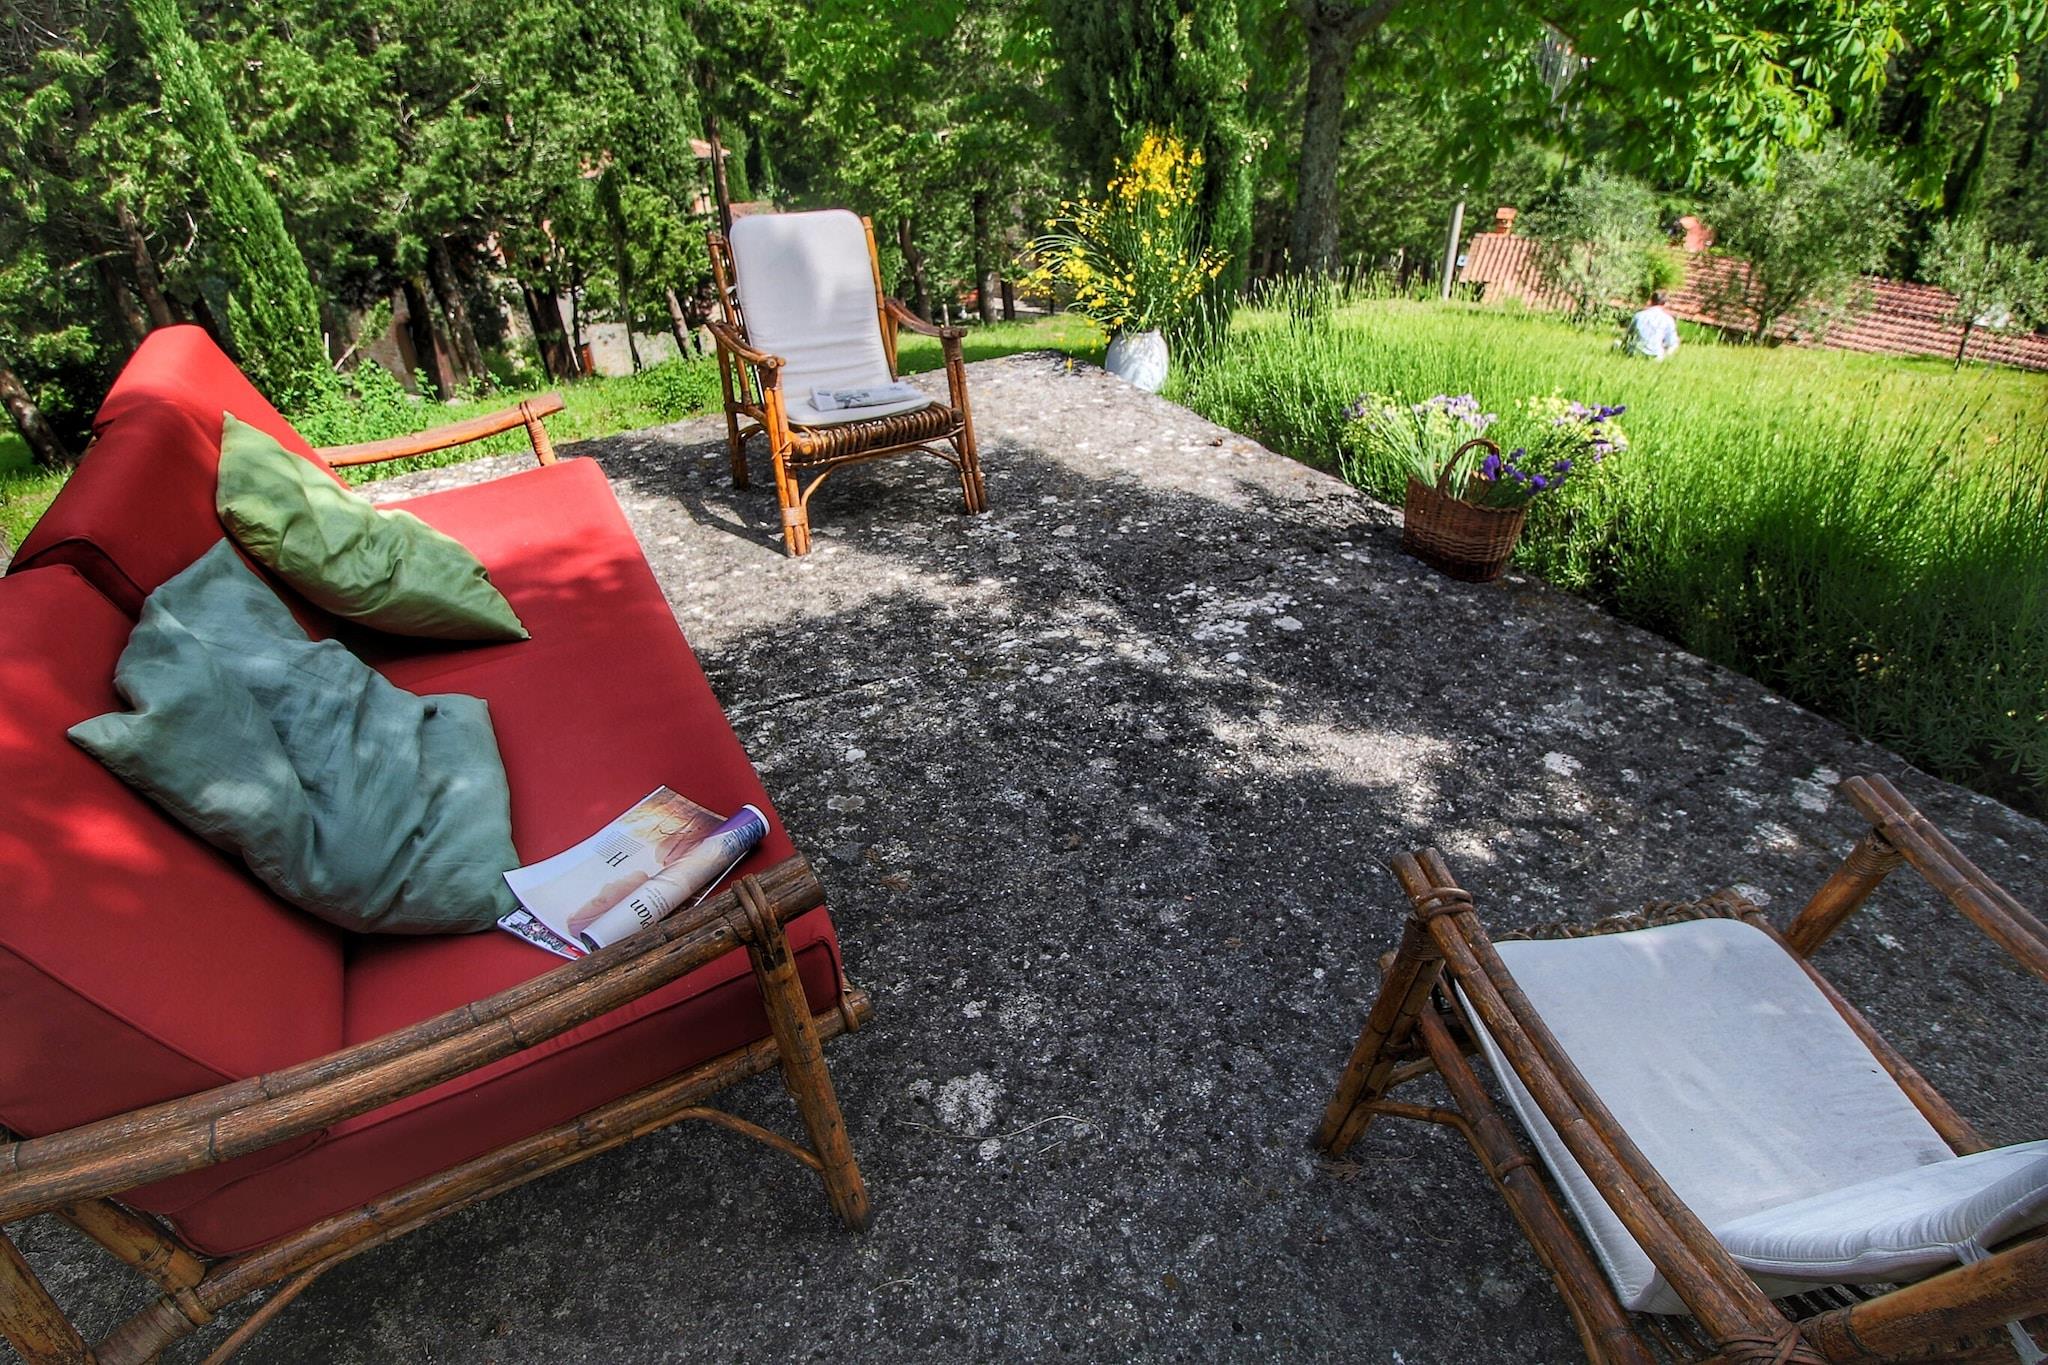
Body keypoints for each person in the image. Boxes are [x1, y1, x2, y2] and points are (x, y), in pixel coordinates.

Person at [1623, 291, 1681, 360]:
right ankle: (1664, 358)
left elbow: (1628, 335)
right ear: (1665, 303)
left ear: (1651, 301)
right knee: (1675, 342)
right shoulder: (1668, 319)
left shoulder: (1638, 315)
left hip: (1635, 353)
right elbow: (1671, 342)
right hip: (1655, 356)